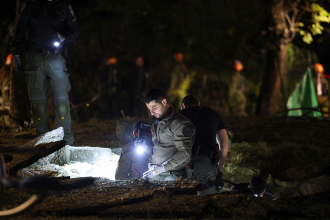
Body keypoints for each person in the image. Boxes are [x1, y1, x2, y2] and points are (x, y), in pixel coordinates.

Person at [12, 0, 79, 145]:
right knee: (37, 103)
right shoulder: (30, 4)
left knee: (61, 101)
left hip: (56, 57)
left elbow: (74, 32)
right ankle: (42, 138)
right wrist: (16, 53)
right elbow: (20, 30)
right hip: (34, 57)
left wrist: (62, 37)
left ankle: (65, 139)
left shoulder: (64, 5)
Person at [179, 95, 228, 195]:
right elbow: (224, 144)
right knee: (208, 197)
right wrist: (220, 168)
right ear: (199, 104)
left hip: (182, 162)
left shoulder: (178, 115)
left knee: (183, 197)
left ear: (184, 105)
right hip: (206, 162)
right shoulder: (213, 113)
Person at [143, 88, 195, 181]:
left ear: (164, 102)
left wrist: (162, 168)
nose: (151, 112)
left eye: (154, 107)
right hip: (154, 173)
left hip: (172, 175)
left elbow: (185, 153)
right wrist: (146, 148)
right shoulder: (157, 122)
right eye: (149, 109)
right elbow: (161, 147)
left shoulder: (179, 123)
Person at [0, 54, 12, 127]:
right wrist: (10, 105)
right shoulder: (8, 77)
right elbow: (6, 92)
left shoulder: (4, 74)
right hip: (7, 106)